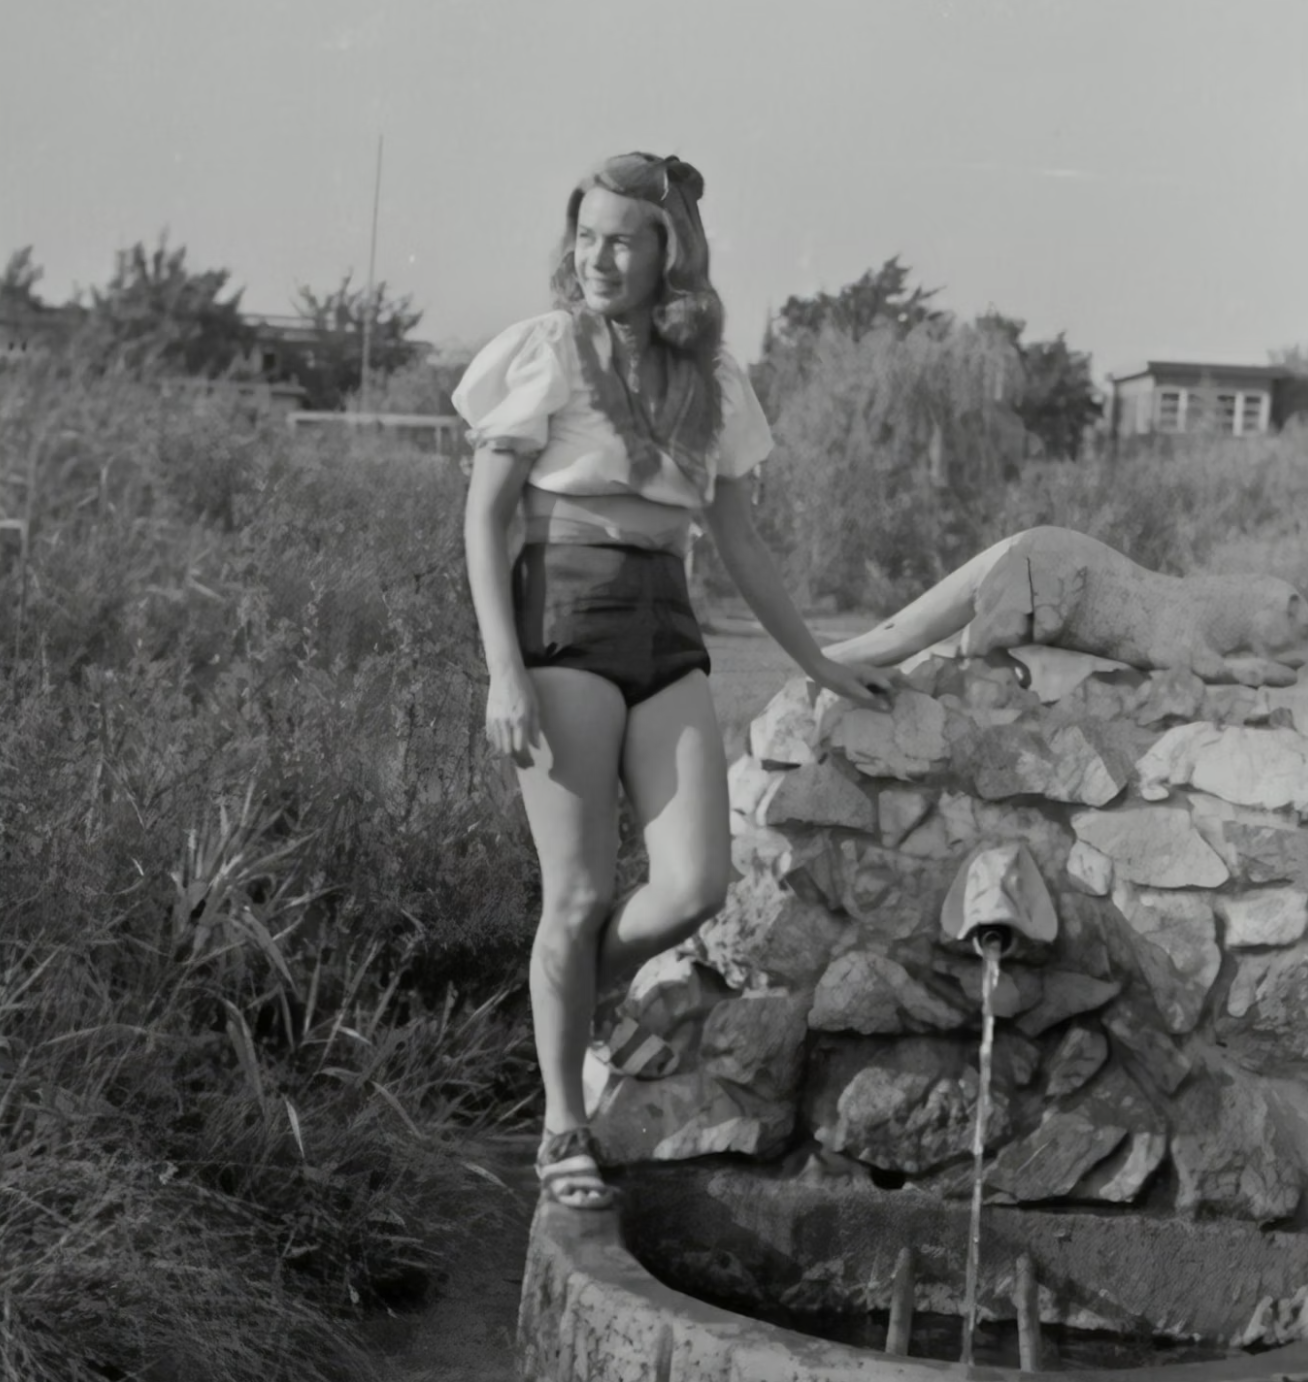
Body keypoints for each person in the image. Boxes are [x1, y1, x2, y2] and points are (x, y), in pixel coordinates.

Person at [456, 151, 895, 1211]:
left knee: (696, 884)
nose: (596, 258)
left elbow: (739, 540)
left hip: (666, 624)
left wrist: (819, 660)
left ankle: (565, 1004)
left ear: (671, 254)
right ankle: (562, 1128)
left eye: (621, 240)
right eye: (586, 236)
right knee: (577, 894)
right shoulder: (548, 350)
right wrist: (503, 672)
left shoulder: (715, 378)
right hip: (563, 621)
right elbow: (484, 518)